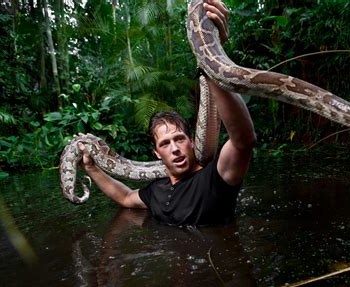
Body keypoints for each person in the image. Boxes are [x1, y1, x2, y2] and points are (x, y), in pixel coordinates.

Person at [78, 0, 256, 226]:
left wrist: (213, 57)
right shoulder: (156, 190)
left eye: (179, 139)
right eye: (165, 143)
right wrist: (92, 168)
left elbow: (244, 140)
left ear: (191, 142)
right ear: (157, 152)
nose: (174, 148)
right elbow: (124, 197)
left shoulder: (216, 177)